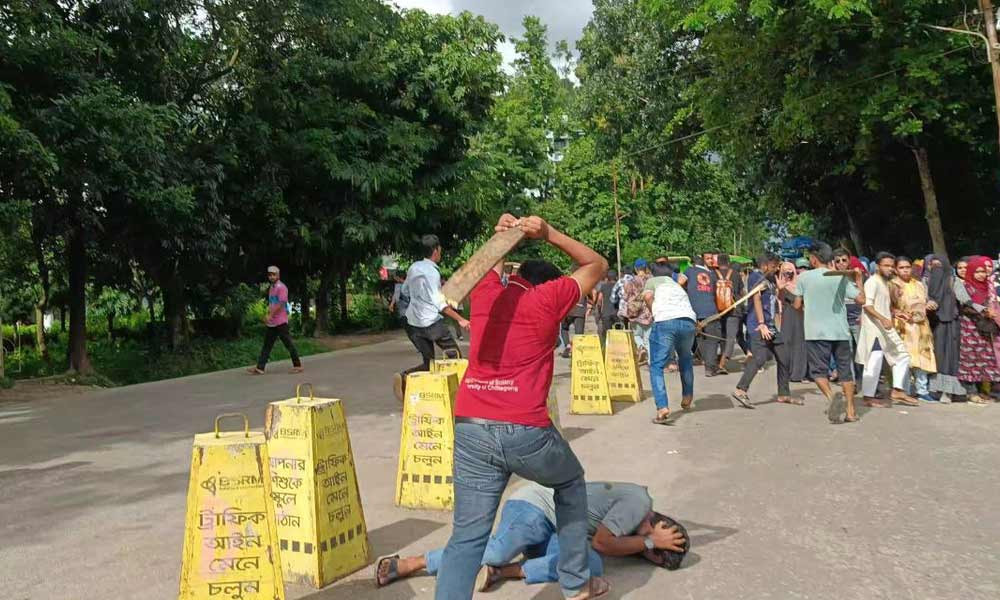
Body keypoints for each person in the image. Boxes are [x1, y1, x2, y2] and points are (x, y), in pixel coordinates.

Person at [436, 214, 609, 600]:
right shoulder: (546, 299)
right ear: (549, 283)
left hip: (470, 425)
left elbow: (483, 265)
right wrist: (549, 234)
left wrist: (503, 235)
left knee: (466, 537)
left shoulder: (486, 294)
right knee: (568, 483)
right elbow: (597, 264)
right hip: (524, 429)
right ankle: (577, 583)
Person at [374, 481, 688, 590]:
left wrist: (645, 543)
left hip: (558, 529)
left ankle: (502, 572)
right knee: (497, 549)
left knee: (591, 567)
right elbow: (603, 542)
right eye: (658, 543)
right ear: (663, 524)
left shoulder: (631, 531)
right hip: (536, 505)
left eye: (651, 555)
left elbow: (597, 549)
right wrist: (649, 541)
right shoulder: (639, 503)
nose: (646, 550)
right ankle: (412, 563)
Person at [793, 242, 865, 423]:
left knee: (818, 373)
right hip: (840, 331)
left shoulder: (804, 278)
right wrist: (858, 280)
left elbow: (797, 305)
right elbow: (861, 300)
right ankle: (850, 411)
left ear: (813, 258)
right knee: (845, 373)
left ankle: (832, 398)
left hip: (815, 332)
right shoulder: (840, 277)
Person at [393, 235, 469, 402]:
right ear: (436, 251)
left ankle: (404, 377)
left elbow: (405, 291)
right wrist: (460, 319)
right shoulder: (433, 272)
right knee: (455, 357)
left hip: (413, 323)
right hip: (431, 324)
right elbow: (439, 304)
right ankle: (462, 398)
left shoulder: (414, 267)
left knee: (429, 364)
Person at [854, 252, 915, 407]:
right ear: (878, 266)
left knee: (902, 355)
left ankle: (897, 390)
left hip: (885, 328)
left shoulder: (885, 283)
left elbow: (882, 305)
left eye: (891, 266)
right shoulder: (872, 282)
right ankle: (868, 396)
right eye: (886, 265)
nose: (889, 269)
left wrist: (896, 313)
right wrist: (883, 318)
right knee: (873, 361)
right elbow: (867, 305)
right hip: (874, 329)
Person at [732, 253, 792, 408]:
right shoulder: (756, 276)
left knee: (784, 357)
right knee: (760, 357)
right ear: (765, 265)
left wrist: (780, 289)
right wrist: (761, 323)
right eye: (774, 266)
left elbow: (777, 301)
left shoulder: (770, 280)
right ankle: (740, 390)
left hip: (771, 326)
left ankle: (784, 394)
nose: (776, 269)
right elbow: (756, 298)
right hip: (758, 326)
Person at [643, 262, 698, 424]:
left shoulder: (652, 282)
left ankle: (662, 407)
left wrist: (654, 310)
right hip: (688, 321)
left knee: (656, 366)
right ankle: (687, 396)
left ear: (652, 273)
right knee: (685, 358)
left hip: (665, 322)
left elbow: (647, 296)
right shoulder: (676, 285)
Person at [890, 257, 937, 402]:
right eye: (902, 268)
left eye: (907, 267)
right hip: (903, 326)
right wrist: (897, 313)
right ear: (896, 270)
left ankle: (922, 390)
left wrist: (930, 303)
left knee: (922, 358)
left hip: (921, 326)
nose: (905, 270)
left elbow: (925, 300)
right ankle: (904, 390)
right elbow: (888, 305)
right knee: (905, 359)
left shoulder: (918, 284)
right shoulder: (892, 285)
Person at [957, 256, 1000, 404]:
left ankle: (984, 390)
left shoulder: (989, 287)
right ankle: (971, 391)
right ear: (971, 272)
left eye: (983, 271)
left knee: (985, 359)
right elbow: (965, 306)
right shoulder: (965, 286)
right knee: (970, 358)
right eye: (977, 271)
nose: (981, 274)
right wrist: (983, 312)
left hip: (986, 328)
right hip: (970, 327)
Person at [924, 255, 966, 402]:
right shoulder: (924, 282)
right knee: (938, 358)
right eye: (933, 266)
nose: (937, 270)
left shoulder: (953, 281)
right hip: (933, 324)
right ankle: (935, 390)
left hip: (952, 323)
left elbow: (966, 300)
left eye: (939, 267)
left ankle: (948, 392)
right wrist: (926, 304)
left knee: (951, 357)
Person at [248, 265, 303, 375]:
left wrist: (270, 315)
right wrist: (268, 315)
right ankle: (260, 368)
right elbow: (272, 304)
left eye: (274, 275)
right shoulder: (272, 288)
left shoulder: (281, 287)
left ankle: (298, 365)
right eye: (270, 275)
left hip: (281, 322)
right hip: (272, 322)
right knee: (267, 345)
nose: (272, 277)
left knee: (288, 344)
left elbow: (281, 303)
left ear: (278, 275)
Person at [685, 254, 721, 376]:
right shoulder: (712, 275)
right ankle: (710, 367)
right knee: (712, 339)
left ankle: (707, 361)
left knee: (701, 338)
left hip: (694, 311)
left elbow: (680, 282)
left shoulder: (689, 271)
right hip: (711, 311)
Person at [778, 261, 809, 383]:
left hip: (801, 315)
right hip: (787, 316)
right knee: (786, 343)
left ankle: (799, 374)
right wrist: (781, 287)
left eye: (790, 270)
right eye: (785, 271)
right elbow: (779, 299)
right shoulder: (781, 285)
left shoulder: (800, 284)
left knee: (800, 343)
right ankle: (787, 372)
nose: (788, 273)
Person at [715, 254, 746, 374]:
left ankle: (720, 360)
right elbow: (742, 292)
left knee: (722, 335)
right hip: (734, 310)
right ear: (728, 262)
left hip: (719, 310)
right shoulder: (736, 274)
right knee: (731, 337)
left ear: (718, 262)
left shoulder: (714, 274)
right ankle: (722, 363)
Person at [620, 259, 653, 363]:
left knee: (636, 335)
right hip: (648, 312)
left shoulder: (631, 281)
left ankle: (640, 346)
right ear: (646, 267)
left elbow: (625, 296)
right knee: (648, 338)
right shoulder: (651, 279)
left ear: (635, 268)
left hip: (635, 313)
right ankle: (650, 361)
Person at [594, 270, 620, 348]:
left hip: (606, 313)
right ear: (616, 277)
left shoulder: (603, 286)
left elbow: (599, 299)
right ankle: (617, 348)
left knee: (606, 333)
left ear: (607, 278)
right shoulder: (618, 286)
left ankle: (607, 349)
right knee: (618, 333)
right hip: (617, 313)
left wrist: (599, 310)